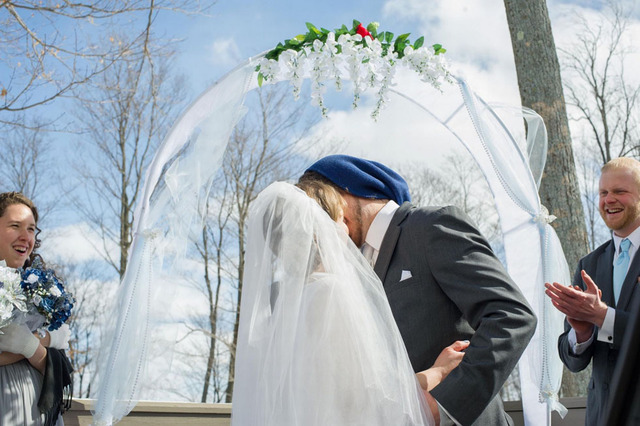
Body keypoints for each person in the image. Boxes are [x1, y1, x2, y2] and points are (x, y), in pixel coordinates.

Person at [299, 154, 537, 426]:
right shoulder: (342, 270)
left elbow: (512, 315)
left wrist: (442, 405)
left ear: (344, 192)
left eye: (321, 211)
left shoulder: (430, 226)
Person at [232, 181, 469, 426]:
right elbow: (373, 403)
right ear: (320, 231)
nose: (346, 228)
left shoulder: (284, 309)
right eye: (338, 220)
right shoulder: (331, 292)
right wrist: (437, 372)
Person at [545, 157, 640, 426]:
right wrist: (581, 331)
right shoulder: (589, 264)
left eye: (620, 191)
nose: (609, 200)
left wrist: (602, 317)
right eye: (603, 193)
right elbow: (573, 362)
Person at [0, 192, 72, 426]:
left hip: (36, 414)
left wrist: (31, 345)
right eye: (15, 226)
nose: (25, 236)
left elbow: (61, 371)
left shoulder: (41, 290)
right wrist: (38, 343)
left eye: (31, 229)